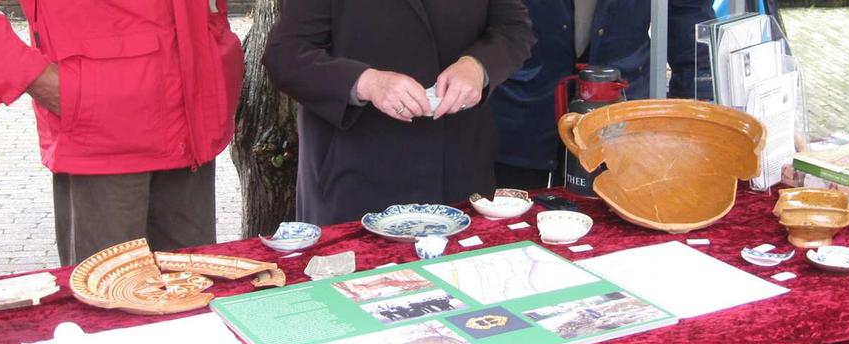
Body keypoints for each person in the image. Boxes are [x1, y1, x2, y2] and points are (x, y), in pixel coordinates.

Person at [0, 0, 244, 265]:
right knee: (108, 309)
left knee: (193, 305)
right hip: (104, 121)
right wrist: (29, 75)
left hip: (191, 110)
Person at [263, 0, 535, 226]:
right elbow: (285, 55)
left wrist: (478, 66)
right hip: (354, 176)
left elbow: (514, 28)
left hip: (458, 169)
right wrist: (366, 82)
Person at [491, 0, 715, 190]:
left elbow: (688, 13)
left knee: (612, 225)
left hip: (619, 101)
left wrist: (695, 103)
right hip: (518, 101)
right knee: (506, 223)